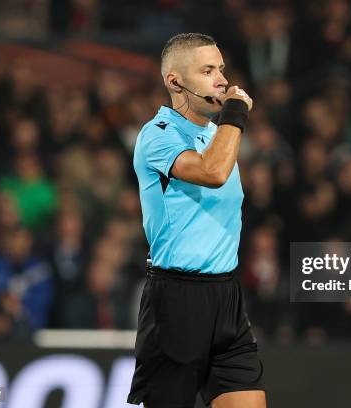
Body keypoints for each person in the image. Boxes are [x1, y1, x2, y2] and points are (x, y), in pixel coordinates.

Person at [128, 33, 266, 408]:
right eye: (208, 71)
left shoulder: (217, 135)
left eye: (221, 68)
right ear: (175, 81)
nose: (222, 79)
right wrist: (235, 114)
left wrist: (227, 124)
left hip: (228, 297)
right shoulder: (158, 136)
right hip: (176, 300)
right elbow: (212, 172)